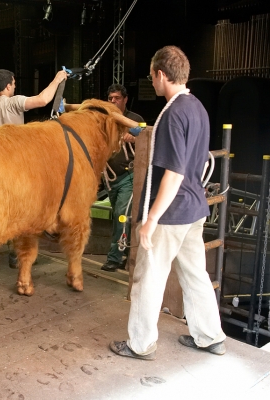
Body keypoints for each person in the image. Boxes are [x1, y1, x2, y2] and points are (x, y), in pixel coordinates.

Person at [110, 45, 226, 360]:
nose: (153, 83)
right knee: (195, 275)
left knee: (148, 278)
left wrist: (151, 219)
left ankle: (140, 344)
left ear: (161, 74)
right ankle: (211, 336)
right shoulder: (197, 107)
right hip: (194, 208)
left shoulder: (172, 113)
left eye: (152, 77)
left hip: (171, 214)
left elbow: (172, 174)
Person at [0, 68, 68, 267]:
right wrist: (57, 79)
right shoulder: (12, 103)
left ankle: (15, 253)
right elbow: (42, 100)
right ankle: (27, 251)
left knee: (13, 213)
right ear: (7, 86)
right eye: (13, 83)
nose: (15, 86)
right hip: (19, 169)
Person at [100, 84, 144, 272]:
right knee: (119, 217)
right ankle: (124, 252)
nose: (113, 101)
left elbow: (146, 133)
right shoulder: (104, 120)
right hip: (110, 179)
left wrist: (135, 137)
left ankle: (115, 258)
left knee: (120, 215)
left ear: (125, 99)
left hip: (128, 176)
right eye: (110, 98)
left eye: (117, 98)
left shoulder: (134, 120)